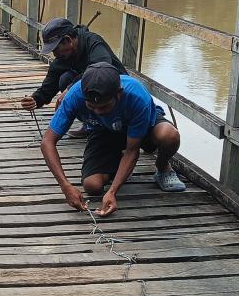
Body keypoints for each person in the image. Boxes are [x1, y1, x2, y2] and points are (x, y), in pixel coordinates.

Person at [41, 62, 186, 218]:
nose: (98, 111)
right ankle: (118, 166)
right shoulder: (74, 97)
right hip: (103, 130)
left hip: (139, 128)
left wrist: (112, 191)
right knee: (92, 186)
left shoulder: (136, 96)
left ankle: (163, 167)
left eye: (104, 107)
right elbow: (47, 142)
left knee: (169, 135)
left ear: (118, 94)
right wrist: (65, 185)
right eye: (91, 107)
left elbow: (132, 150)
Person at [21, 17, 127, 138]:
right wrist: (35, 99)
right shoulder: (64, 56)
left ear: (67, 40)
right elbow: (50, 83)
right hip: (94, 98)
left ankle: (112, 125)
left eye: (56, 49)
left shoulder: (93, 42)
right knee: (64, 79)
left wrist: (72, 88)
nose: (55, 54)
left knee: (74, 83)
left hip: (117, 94)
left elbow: (102, 70)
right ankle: (91, 124)